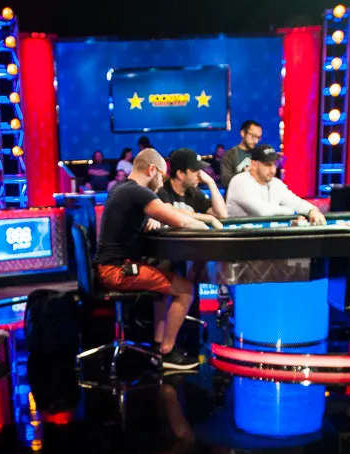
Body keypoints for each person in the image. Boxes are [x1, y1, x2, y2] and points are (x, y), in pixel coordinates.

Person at [94, 149, 212, 370]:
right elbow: (181, 221)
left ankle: (159, 344)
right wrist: (208, 227)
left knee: (166, 277)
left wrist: (154, 219)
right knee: (185, 290)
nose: (162, 181)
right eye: (162, 175)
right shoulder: (139, 192)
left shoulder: (121, 188)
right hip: (117, 271)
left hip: (109, 267)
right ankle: (167, 353)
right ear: (151, 170)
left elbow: (149, 217)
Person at [225, 145, 327, 224]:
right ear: (254, 164)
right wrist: (294, 214)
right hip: (239, 238)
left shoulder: (275, 183)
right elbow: (263, 212)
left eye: (274, 164)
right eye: (268, 165)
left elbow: (296, 202)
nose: (273, 170)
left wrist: (311, 210)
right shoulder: (240, 181)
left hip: (265, 238)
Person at [155, 148, 228, 226]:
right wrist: (209, 219)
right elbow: (169, 211)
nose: (200, 174)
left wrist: (211, 183)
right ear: (180, 174)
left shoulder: (194, 192)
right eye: (195, 170)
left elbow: (222, 214)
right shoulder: (162, 189)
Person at [220, 120, 262, 189]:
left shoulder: (259, 154)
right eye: (253, 136)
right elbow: (225, 181)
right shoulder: (230, 154)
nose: (256, 141)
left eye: (259, 138)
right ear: (243, 133)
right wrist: (244, 174)